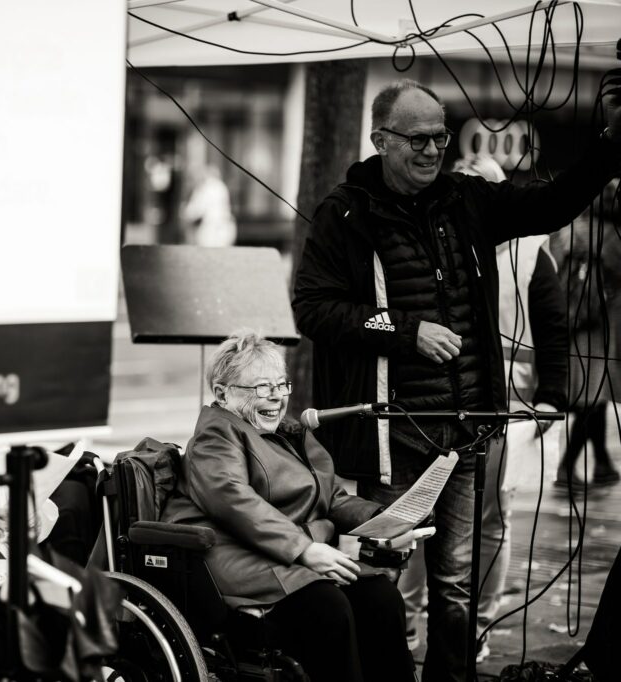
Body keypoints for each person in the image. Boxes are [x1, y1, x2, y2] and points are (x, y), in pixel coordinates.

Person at [292, 79, 621, 682]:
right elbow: (314, 308)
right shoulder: (344, 213)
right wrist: (401, 328)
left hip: (466, 431)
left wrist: (610, 144)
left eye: (440, 136)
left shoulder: (465, 200)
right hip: (393, 435)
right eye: (417, 139)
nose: (432, 149)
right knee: (381, 577)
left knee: (456, 585)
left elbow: (550, 206)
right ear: (381, 140)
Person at [160, 330, 416, 682]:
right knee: (328, 606)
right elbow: (234, 500)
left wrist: (387, 521)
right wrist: (304, 550)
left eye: (281, 386)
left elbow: (329, 496)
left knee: (379, 595)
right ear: (222, 393)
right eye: (262, 388)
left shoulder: (288, 431)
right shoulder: (216, 434)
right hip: (239, 554)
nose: (277, 398)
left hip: (286, 553)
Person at [396, 155, 570, 660]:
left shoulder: (532, 253)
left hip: (508, 404)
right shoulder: (432, 239)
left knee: (491, 517)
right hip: (436, 402)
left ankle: (477, 625)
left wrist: (550, 397)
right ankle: (406, 630)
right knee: (416, 512)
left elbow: (553, 330)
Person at [550, 203, 621, 489]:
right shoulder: (608, 234)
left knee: (595, 395)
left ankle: (602, 462)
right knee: (591, 396)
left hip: (574, 322)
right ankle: (567, 465)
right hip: (594, 324)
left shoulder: (569, 229)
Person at [181, 164, 237, 247]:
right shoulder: (221, 186)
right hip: (225, 229)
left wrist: (184, 213)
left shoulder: (206, 187)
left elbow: (195, 210)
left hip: (210, 231)